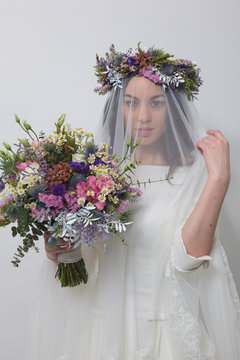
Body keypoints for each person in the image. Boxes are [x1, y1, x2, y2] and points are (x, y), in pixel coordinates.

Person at [32, 44, 240, 360]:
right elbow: (82, 266)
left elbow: (188, 264)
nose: (143, 115)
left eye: (156, 103)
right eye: (131, 103)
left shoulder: (191, 178)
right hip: (102, 331)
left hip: (164, 336)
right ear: (119, 108)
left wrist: (219, 180)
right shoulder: (95, 176)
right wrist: (60, 249)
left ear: (173, 108)